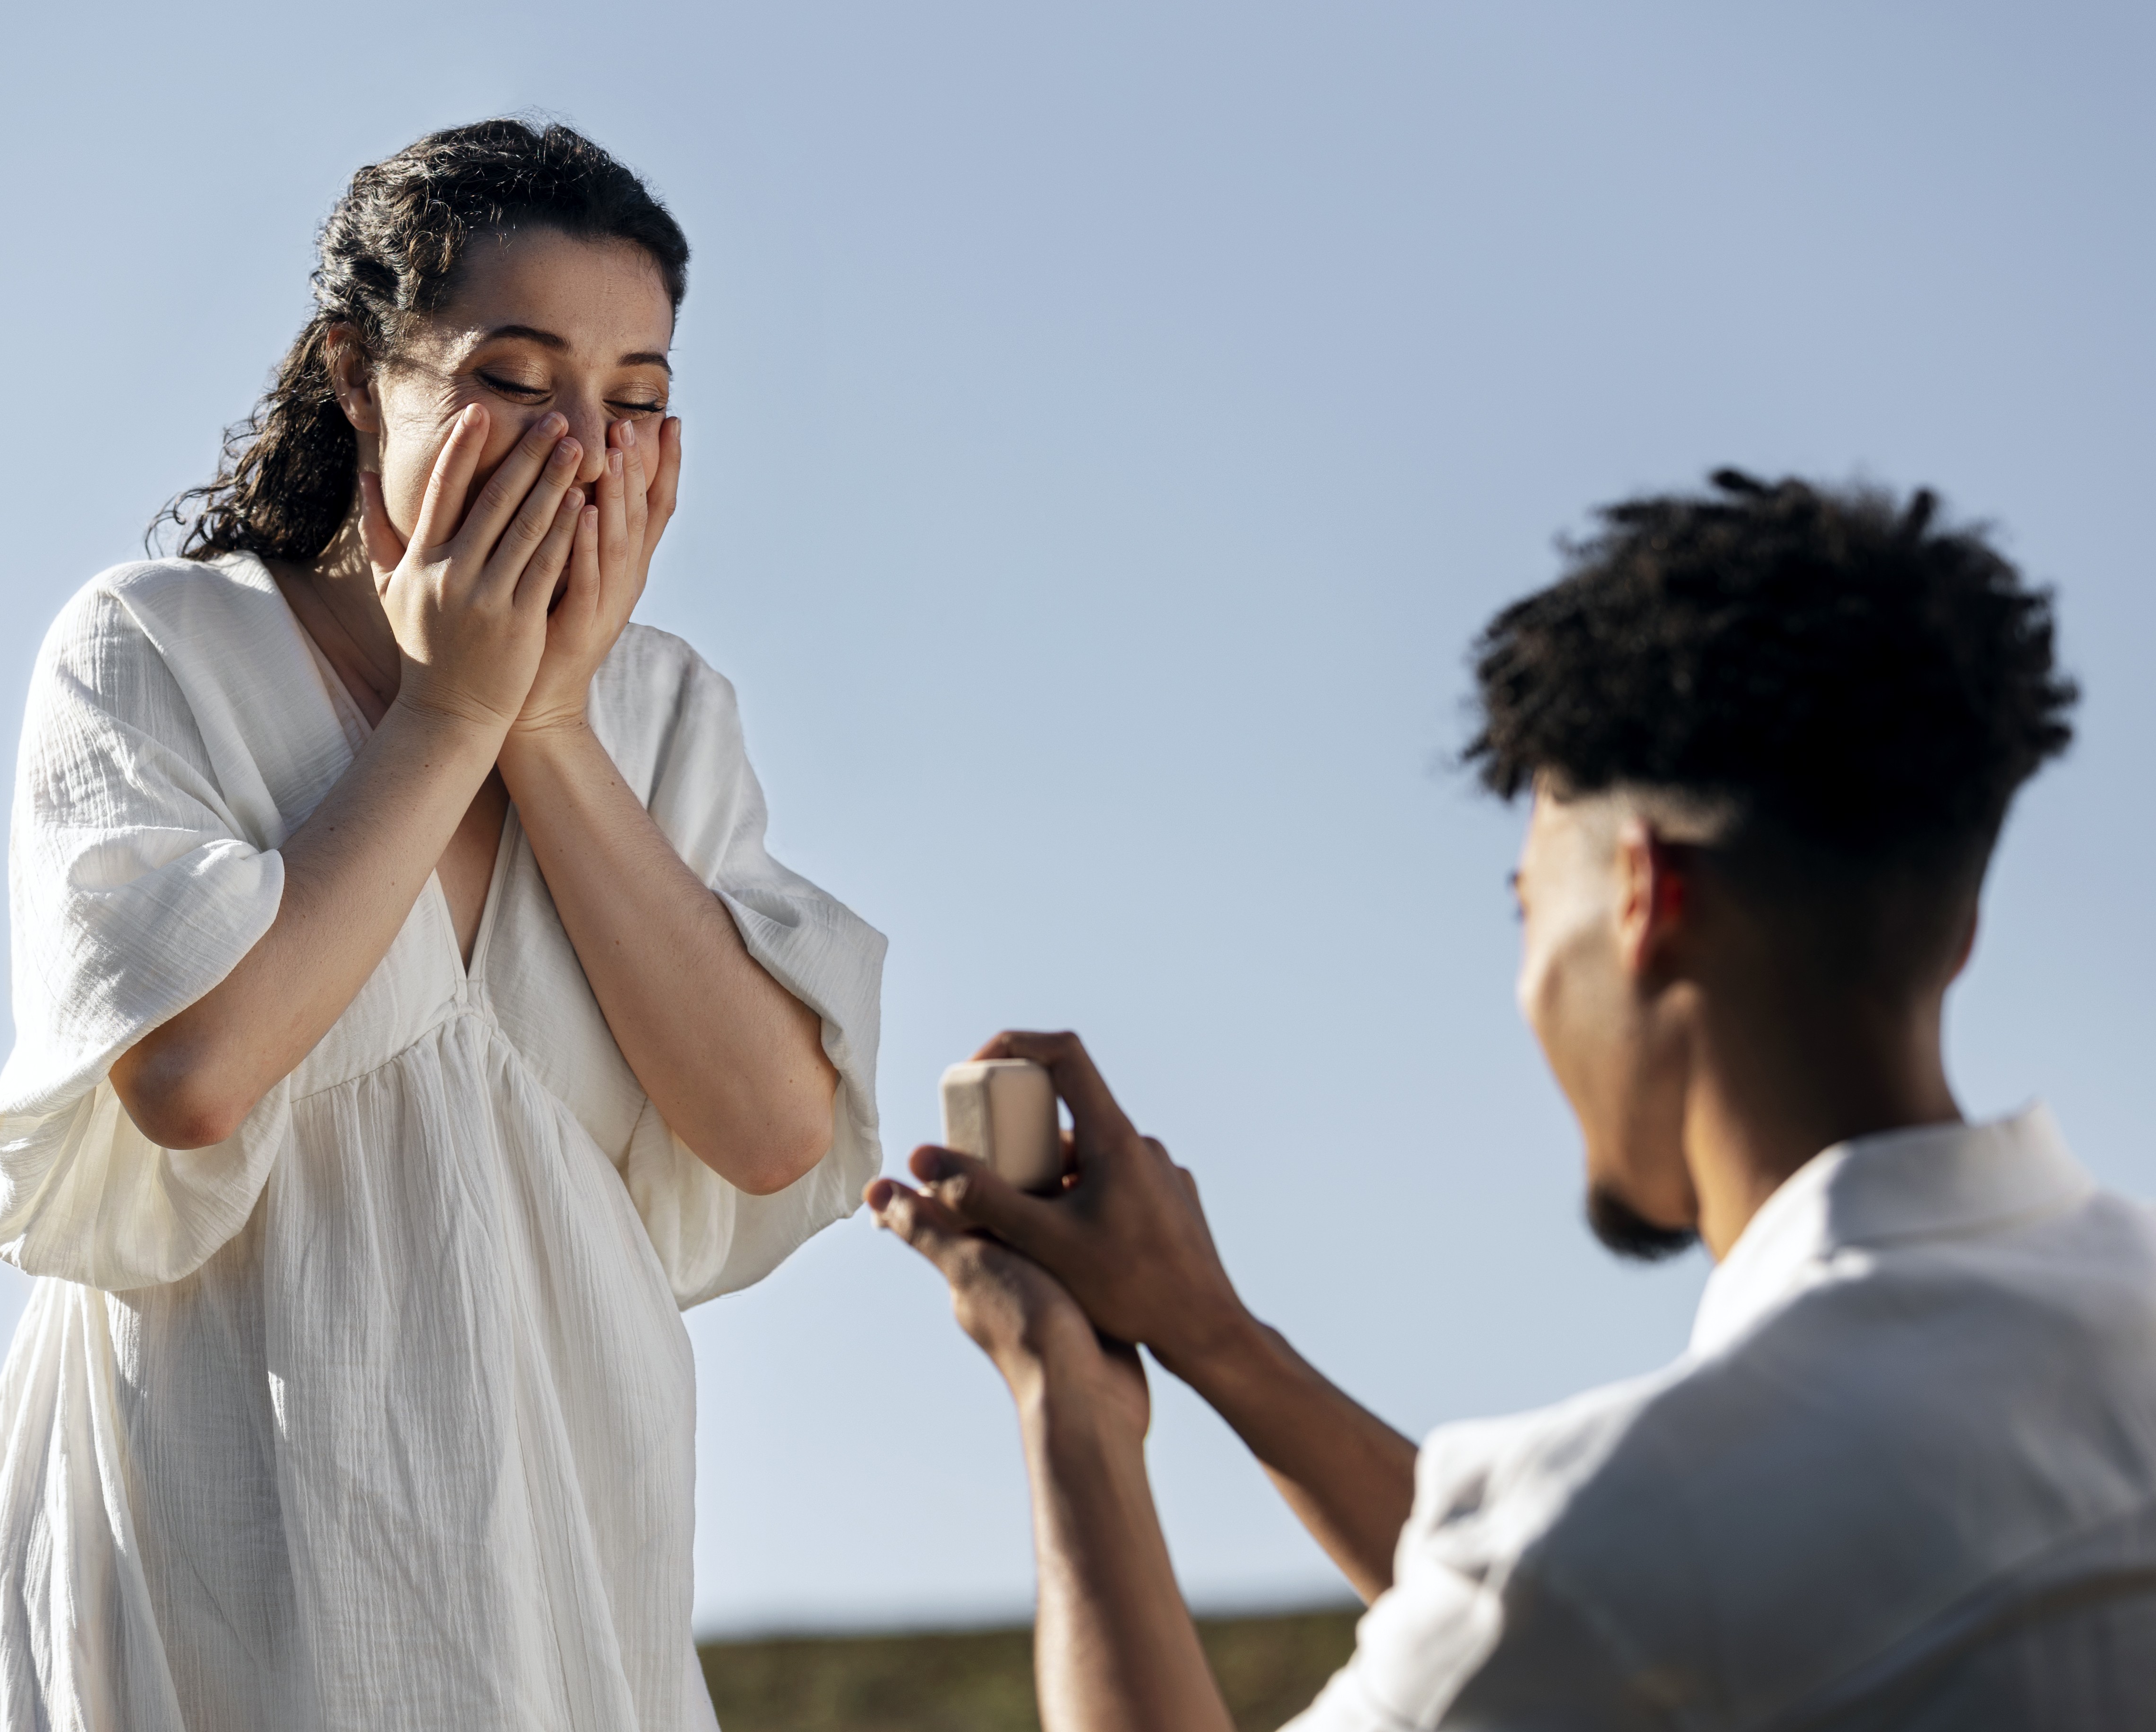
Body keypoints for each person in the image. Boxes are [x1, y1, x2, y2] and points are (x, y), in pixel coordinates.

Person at [871, 472, 2156, 1728]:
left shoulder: (1629, 1540)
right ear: (1958, 919)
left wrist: (1066, 1397)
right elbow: (1590, 1635)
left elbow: (1587, 1597)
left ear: (1646, 897)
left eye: (1531, 907)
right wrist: (1218, 1341)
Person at [0, 121, 886, 1732]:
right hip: (213, 1580)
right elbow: (192, 1077)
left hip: (563, 1590)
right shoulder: (160, 647)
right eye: (514, 377)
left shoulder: (664, 716)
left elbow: (775, 1128)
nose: (582, 448)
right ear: (362, 379)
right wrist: (448, 716)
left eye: (634, 400)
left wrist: (550, 727)